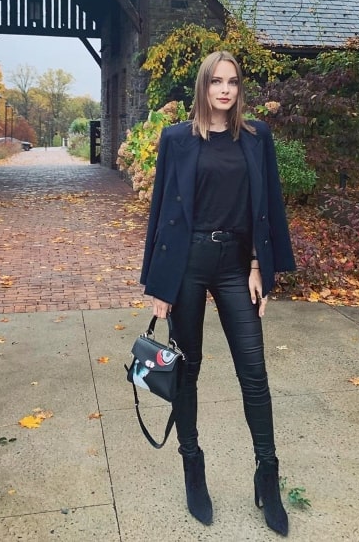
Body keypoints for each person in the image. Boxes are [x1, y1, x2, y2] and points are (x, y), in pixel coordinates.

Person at [140, 51, 296, 536]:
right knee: (188, 370)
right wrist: (158, 284)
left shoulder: (255, 139)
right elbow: (162, 212)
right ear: (203, 87)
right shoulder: (177, 140)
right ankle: (193, 467)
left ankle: (266, 476)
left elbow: (267, 204)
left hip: (235, 266)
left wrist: (259, 269)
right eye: (216, 82)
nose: (224, 90)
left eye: (232, 82)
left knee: (255, 372)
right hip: (185, 266)